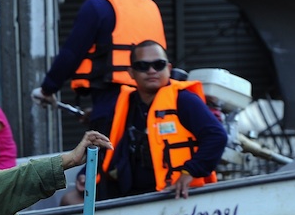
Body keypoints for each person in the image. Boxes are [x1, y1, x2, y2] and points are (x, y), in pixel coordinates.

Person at [32, 0, 167, 136]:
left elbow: (72, 52)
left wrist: (48, 88)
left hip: (112, 103)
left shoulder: (97, 7)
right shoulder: (151, 6)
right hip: (153, 104)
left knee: (103, 163)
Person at [97, 40, 228, 200]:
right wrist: (84, 175)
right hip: (129, 195)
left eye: (158, 64)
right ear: (131, 72)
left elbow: (217, 136)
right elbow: (105, 148)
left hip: (175, 195)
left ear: (169, 68)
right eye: (143, 66)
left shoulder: (185, 100)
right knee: (70, 199)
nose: (152, 71)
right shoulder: (124, 104)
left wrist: (191, 172)